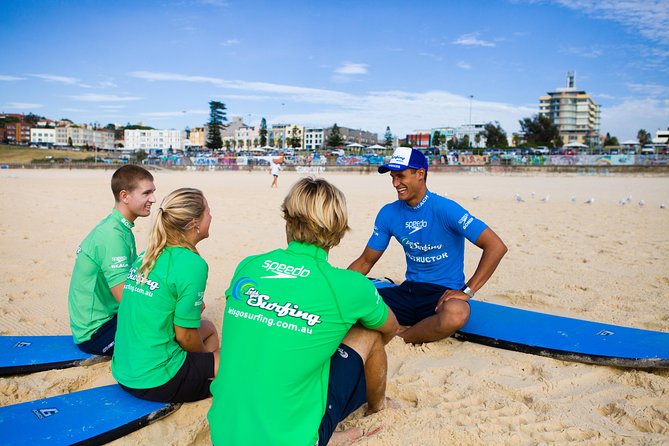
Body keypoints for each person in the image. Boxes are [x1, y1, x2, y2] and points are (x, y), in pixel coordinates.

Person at [208, 177, 399, 445]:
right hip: (290, 439)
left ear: (288, 219)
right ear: (338, 231)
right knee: (369, 334)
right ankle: (376, 407)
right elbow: (390, 326)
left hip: (224, 432)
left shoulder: (249, 266)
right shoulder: (349, 286)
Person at [349, 147, 507, 345]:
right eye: (392, 177)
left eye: (401, 176)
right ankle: (409, 329)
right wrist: (337, 289)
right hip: (407, 292)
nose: (395, 183)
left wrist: (467, 291)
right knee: (351, 300)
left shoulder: (445, 209)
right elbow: (365, 261)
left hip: (442, 296)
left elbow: (496, 246)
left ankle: (401, 338)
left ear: (420, 174)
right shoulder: (388, 213)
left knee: (457, 314)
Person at [112, 188, 220, 403]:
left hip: (124, 370)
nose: (211, 215)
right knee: (241, 364)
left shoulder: (149, 254)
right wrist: (203, 360)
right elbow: (184, 335)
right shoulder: (192, 264)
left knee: (208, 329)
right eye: (208, 211)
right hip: (156, 380)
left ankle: (202, 374)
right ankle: (203, 379)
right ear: (194, 223)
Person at [68, 164, 156, 356]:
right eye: (147, 193)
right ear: (125, 196)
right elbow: (125, 299)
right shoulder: (112, 236)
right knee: (171, 329)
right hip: (95, 334)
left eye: (153, 192)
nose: (153, 199)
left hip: (110, 317)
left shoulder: (119, 227)